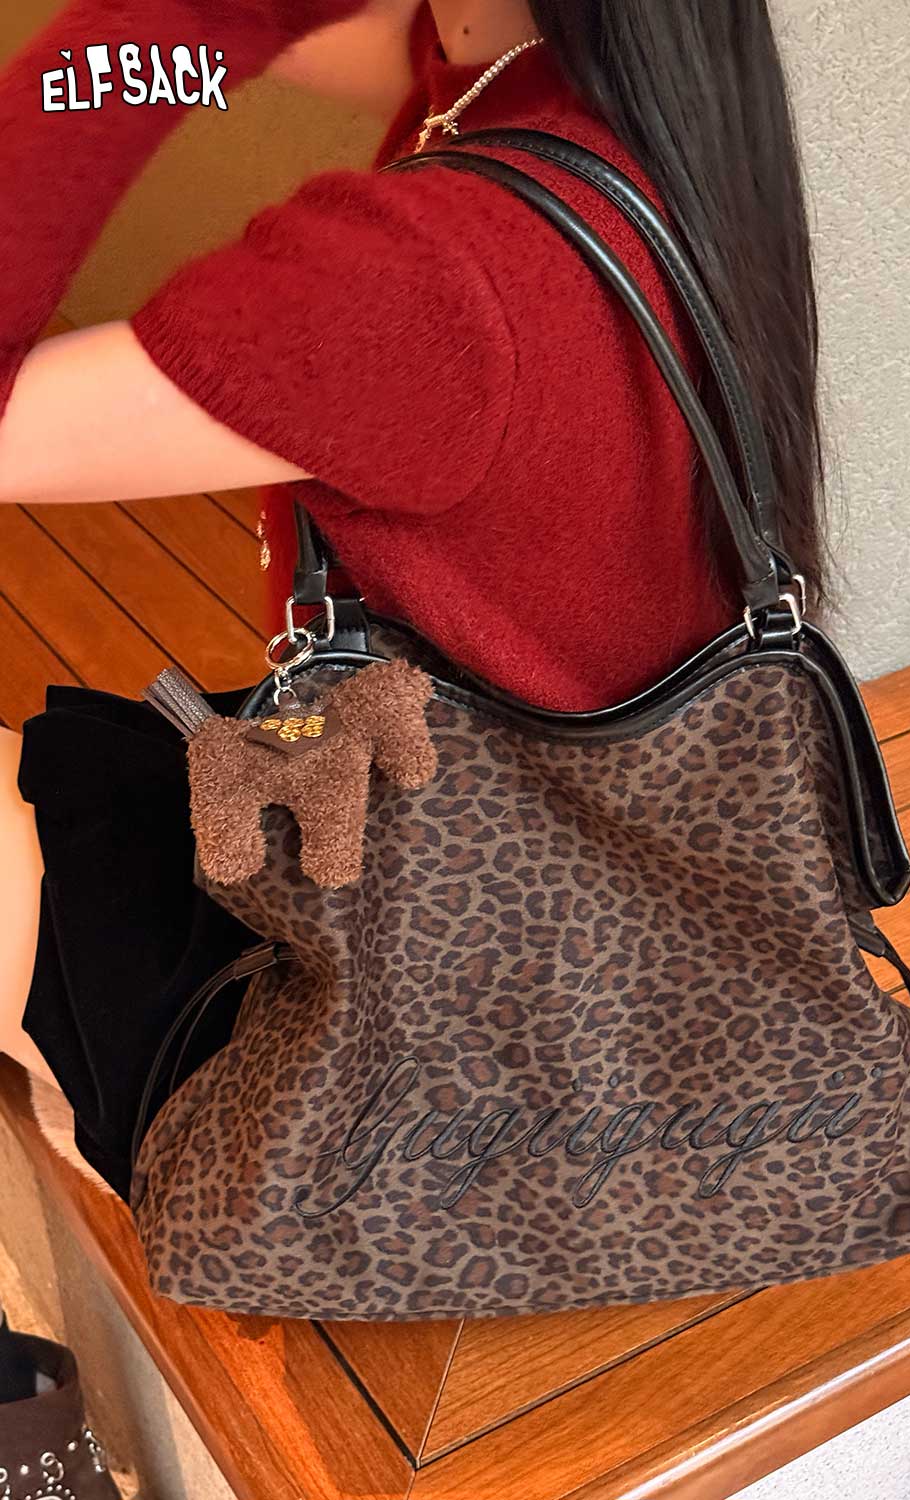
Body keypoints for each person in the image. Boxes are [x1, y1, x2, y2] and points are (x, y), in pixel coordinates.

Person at [0, 0, 831, 1201]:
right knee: (117, 779)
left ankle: (139, 1151)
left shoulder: (430, 270)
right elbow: (327, 45)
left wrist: (151, 26)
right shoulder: (646, 111)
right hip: (615, 915)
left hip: (428, 1068)